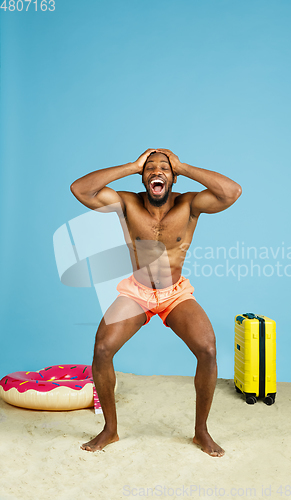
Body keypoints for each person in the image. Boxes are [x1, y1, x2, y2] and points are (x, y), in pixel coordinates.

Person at [70, 148, 242, 457]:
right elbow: (80, 189)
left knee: (208, 349)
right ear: (143, 177)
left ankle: (201, 431)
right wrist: (133, 165)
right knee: (102, 348)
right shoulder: (126, 203)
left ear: (173, 177)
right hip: (138, 292)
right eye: (150, 168)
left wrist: (184, 166)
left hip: (174, 293)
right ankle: (110, 430)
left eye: (164, 167)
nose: (156, 171)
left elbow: (232, 192)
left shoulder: (189, 204)